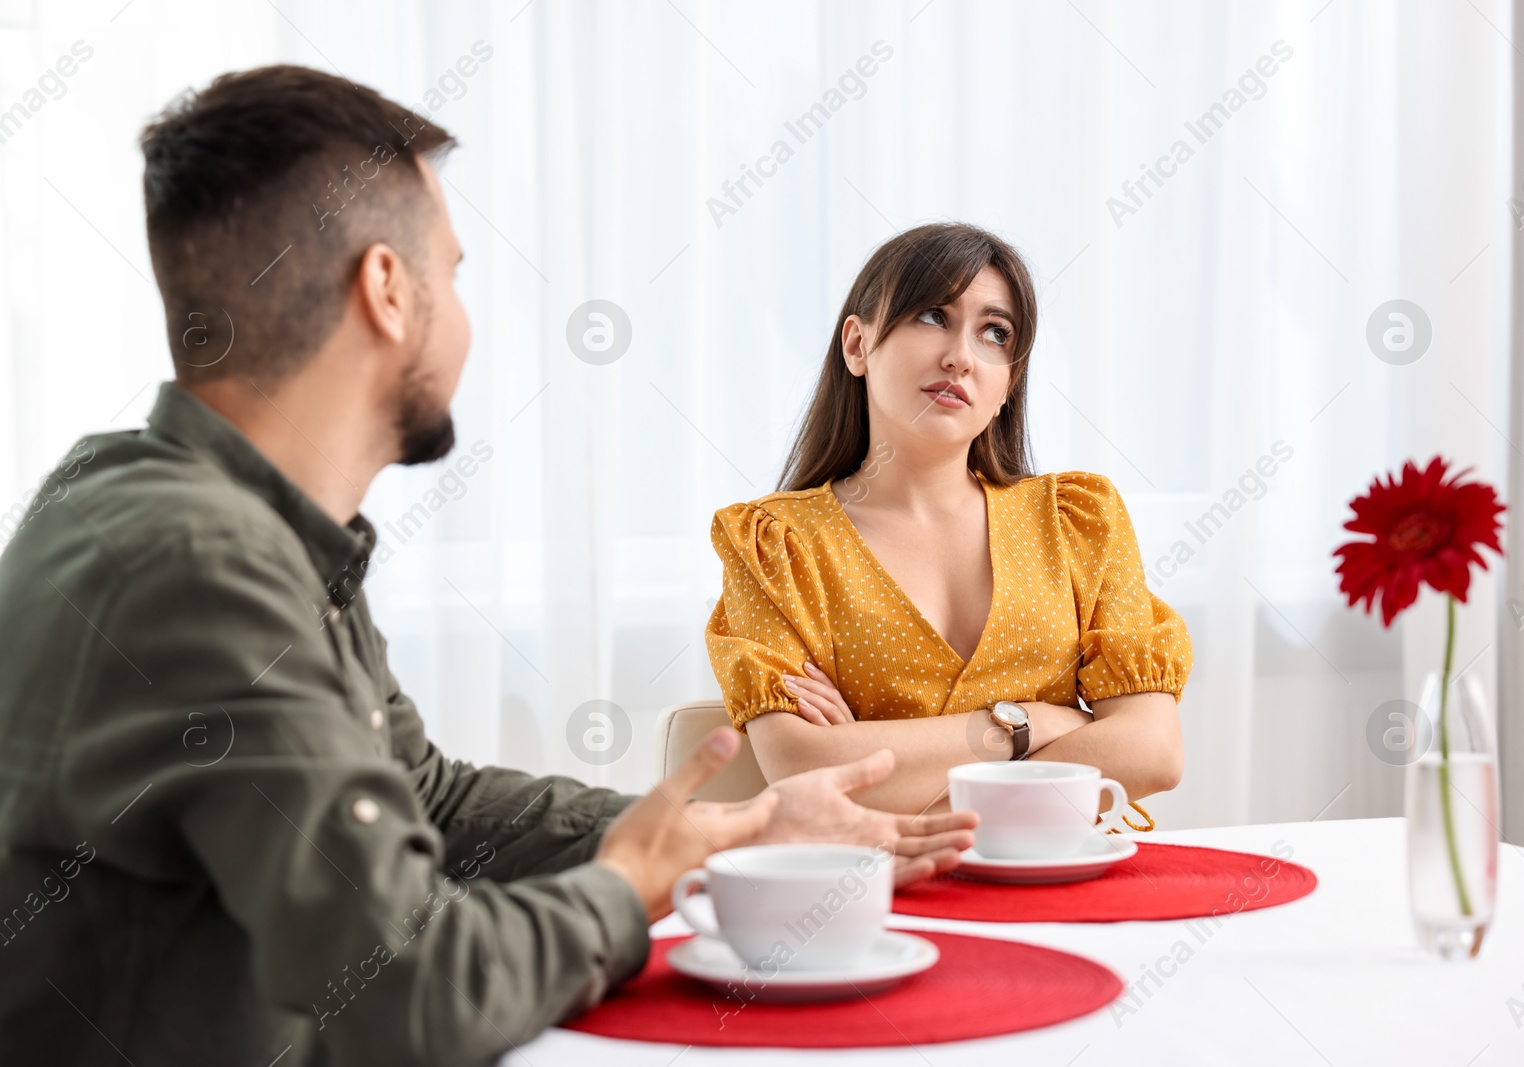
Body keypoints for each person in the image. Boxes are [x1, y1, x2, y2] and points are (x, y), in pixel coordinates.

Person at [0, 67, 975, 1066]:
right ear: (386, 288)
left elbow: (421, 794)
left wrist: (727, 829)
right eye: (454, 273)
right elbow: (412, 989)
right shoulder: (200, 563)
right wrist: (626, 886)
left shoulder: (196, 511)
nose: (465, 317)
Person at [706, 223, 1194, 821]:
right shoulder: (774, 545)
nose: (960, 357)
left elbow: (1152, 753)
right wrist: (1033, 724)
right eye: (933, 316)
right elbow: (806, 768)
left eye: (995, 333)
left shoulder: (1079, 520)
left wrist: (903, 800)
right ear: (857, 346)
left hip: (1063, 889)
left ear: (1008, 384)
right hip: (878, 893)